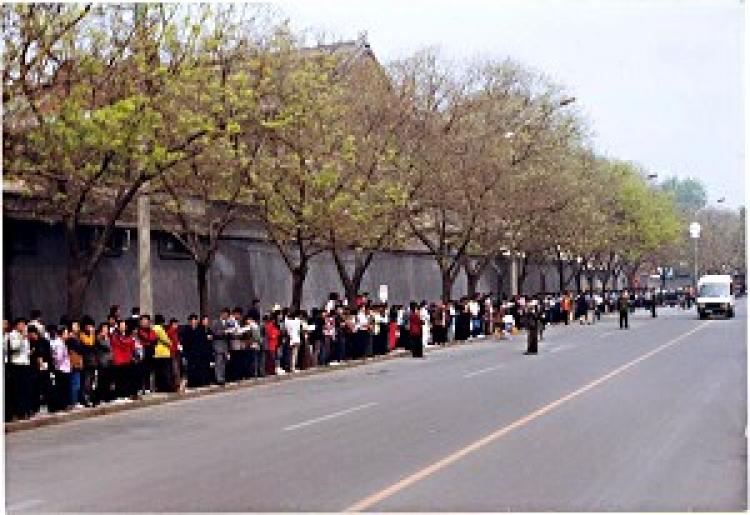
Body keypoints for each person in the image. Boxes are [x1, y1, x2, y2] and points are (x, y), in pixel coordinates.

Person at [181, 314, 211, 388]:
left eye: (195, 320)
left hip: (200, 352)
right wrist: (185, 354)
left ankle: (200, 382)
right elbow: (184, 343)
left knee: (200, 368)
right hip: (190, 353)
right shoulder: (186, 330)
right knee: (191, 369)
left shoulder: (201, 329)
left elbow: (204, 341)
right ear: (189, 322)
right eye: (192, 321)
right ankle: (191, 384)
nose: (194, 322)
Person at [110, 319, 136, 400]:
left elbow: (132, 345)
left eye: (124, 326)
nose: (123, 327)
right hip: (118, 360)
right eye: (121, 326)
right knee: (119, 379)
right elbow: (124, 343)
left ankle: (126, 394)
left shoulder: (128, 335)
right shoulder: (114, 335)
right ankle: (119, 395)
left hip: (127, 359)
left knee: (126, 378)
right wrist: (128, 342)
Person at [48, 325, 71, 412]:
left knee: (62, 388)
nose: (67, 335)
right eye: (66, 333)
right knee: (61, 388)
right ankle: (61, 405)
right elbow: (58, 358)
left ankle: (63, 405)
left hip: (63, 368)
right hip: (61, 368)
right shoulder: (59, 344)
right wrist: (57, 366)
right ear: (61, 334)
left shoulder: (60, 343)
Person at [211, 308, 233, 385]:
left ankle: (223, 377)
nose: (226, 316)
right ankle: (218, 378)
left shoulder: (228, 323)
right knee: (218, 362)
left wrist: (230, 332)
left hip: (225, 345)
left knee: (224, 362)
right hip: (218, 344)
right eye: (225, 314)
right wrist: (223, 332)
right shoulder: (216, 322)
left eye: (227, 315)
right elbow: (214, 332)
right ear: (222, 314)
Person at [136, 315, 157, 394]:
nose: (144, 322)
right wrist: (148, 341)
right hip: (141, 352)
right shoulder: (138, 331)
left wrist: (148, 342)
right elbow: (142, 339)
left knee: (148, 370)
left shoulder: (151, 331)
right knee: (140, 371)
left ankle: (148, 387)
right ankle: (140, 388)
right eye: (143, 320)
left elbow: (154, 340)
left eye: (146, 320)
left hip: (150, 352)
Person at [152, 315, 173, 392]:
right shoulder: (159, 329)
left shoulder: (153, 328)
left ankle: (158, 387)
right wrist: (170, 343)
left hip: (156, 352)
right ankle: (165, 387)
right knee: (165, 372)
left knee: (158, 372)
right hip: (163, 352)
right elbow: (165, 340)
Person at [95, 323, 114, 404]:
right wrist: (103, 337)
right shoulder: (99, 337)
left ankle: (107, 396)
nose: (106, 330)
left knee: (108, 380)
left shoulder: (109, 337)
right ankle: (100, 397)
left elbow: (111, 348)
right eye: (104, 328)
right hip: (102, 362)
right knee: (101, 381)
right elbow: (105, 347)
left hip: (109, 361)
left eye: (107, 328)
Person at [167, 318, 183, 391]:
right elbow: (175, 342)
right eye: (175, 324)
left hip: (175, 351)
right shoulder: (171, 332)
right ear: (172, 324)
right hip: (173, 352)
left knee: (176, 368)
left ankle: (177, 385)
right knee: (175, 369)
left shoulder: (175, 331)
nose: (177, 325)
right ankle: (176, 385)